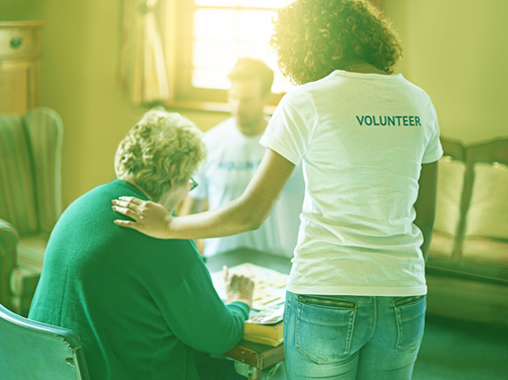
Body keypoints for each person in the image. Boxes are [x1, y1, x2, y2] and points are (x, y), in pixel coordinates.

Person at [112, 1, 443, 379]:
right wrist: (404, 276)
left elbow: (251, 212)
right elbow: (426, 217)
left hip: (325, 293)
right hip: (404, 293)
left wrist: (169, 225)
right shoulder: (419, 102)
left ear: (309, 45)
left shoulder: (306, 101)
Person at [29, 108, 254, 380]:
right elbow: (219, 337)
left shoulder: (80, 207)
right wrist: (240, 301)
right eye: (190, 183)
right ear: (174, 173)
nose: (187, 193)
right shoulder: (162, 236)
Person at [180, 57, 304, 258]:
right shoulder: (209, 143)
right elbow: (190, 210)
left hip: (275, 261)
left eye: (246, 100)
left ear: (265, 97)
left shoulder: (288, 142)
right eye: (233, 97)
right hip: (219, 259)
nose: (237, 107)